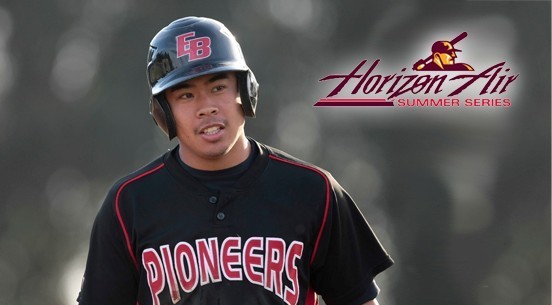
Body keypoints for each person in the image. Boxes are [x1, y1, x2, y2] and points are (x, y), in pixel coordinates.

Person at [77, 16, 394, 305]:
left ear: (246, 91)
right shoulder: (129, 203)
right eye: (186, 95)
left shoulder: (313, 191)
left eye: (218, 87)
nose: (207, 107)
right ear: (164, 112)